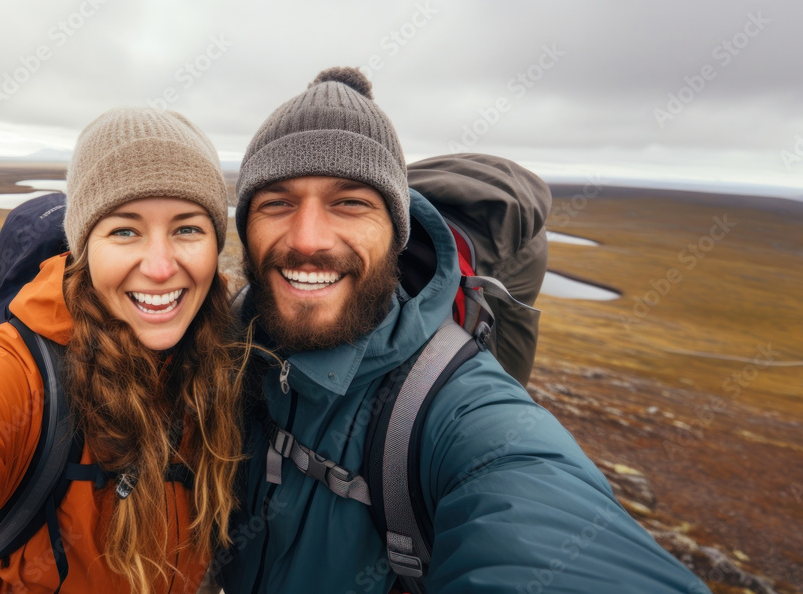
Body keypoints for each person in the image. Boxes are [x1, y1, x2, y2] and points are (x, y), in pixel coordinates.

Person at [217, 67, 710, 593]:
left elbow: (541, 514)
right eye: (277, 203)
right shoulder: (223, 351)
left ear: (396, 233)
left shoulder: (459, 411)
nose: (308, 239)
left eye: (351, 202)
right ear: (245, 228)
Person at [0, 107, 244, 593]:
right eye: (125, 230)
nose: (161, 267)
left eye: (187, 228)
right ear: (83, 248)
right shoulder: (4, 376)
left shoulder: (232, 357)